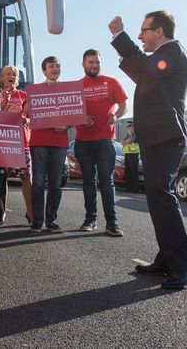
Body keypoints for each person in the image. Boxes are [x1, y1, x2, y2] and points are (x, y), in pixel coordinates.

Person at [109, 10, 187, 289]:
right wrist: (126, 51)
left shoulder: (173, 52)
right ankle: (167, 258)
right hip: (156, 137)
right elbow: (142, 73)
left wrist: (119, 36)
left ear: (159, 31)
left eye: (144, 30)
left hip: (166, 137)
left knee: (162, 197)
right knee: (158, 198)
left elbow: (147, 67)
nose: (139, 35)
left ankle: (184, 265)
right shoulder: (162, 58)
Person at [75, 49, 128, 236]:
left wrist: (116, 115)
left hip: (106, 141)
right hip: (83, 141)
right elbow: (70, 111)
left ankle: (112, 223)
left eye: (97, 62)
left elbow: (123, 105)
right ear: (83, 64)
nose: (94, 65)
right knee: (89, 181)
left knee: (107, 181)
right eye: (90, 62)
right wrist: (80, 118)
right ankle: (90, 220)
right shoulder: (77, 86)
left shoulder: (112, 82)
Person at [29, 56, 70, 233]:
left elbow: (75, 113)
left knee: (56, 184)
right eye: (51, 66)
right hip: (39, 142)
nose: (55, 68)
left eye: (58, 65)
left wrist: (67, 125)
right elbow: (27, 112)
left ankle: (51, 220)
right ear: (44, 71)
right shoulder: (35, 90)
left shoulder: (69, 91)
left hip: (60, 143)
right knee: (38, 183)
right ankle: (37, 220)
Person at [0, 65, 33, 225]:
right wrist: (4, 101)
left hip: (22, 143)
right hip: (2, 143)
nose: (10, 76)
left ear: (17, 79)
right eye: (7, 74)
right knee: (1, 179)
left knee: (26, 178)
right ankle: (0, 211)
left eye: (13, 74)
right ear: (1, 78)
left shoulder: (25, 95)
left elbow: (31, 116)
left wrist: (27, 120)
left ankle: (31, 213)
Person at [122, 121, 141, 193]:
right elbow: (122, 142)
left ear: (133, 127)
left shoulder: (136, 134)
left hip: (134, 155)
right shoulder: (128, 134)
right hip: (127, 155)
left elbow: (131, 140)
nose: (128, 128)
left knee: (134, 173)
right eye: (128, 127)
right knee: (128, 172)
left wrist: (126, 142)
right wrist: (127, 141)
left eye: (130, 126)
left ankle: (135, 189)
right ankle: (128, 188)